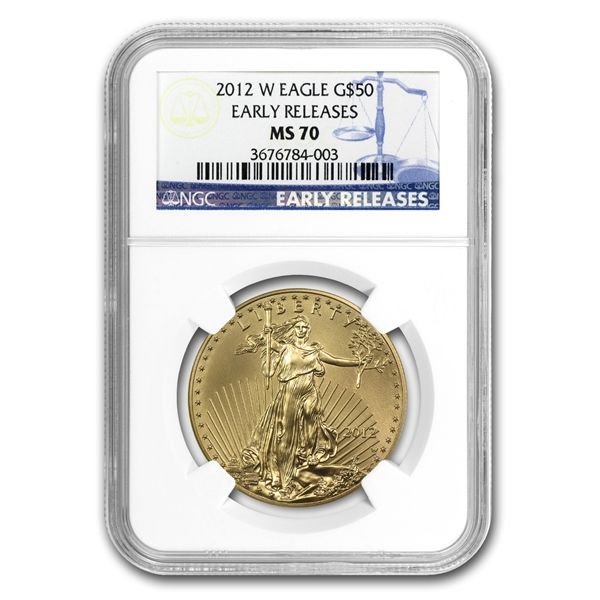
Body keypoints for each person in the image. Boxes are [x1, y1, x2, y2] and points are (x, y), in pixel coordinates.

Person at [236, 315, 362, 493]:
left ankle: (308, 454)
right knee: (285, 433)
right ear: (293, 329)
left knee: (312, 415)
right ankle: (281, 474)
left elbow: (335, 360)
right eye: (298, 327)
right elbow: (268, 343)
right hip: (290, 392)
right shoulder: (285, 347)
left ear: (308, 330)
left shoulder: (314, 351)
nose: (302, 330)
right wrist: (267, 334)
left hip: (309, 390)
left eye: (305, 327)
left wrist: (358, 362)